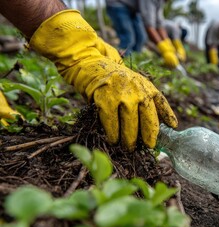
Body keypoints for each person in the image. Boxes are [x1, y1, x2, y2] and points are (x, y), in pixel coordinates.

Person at [0, 0, 178, 152]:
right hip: (119, 5)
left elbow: (157, 23)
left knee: (136, 38)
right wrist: (78, 50)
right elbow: (149, 24)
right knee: (129, 38)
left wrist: (78, 39)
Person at [137, 0, 179, 68]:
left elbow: (160, 25)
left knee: (140, 38)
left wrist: (167, 43)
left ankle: (135, 61)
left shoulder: (160, 2)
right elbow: (149, 26)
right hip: (121, 5)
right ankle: (126, 60)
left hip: (133, 11)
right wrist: (162, 46)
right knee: (131, 38)